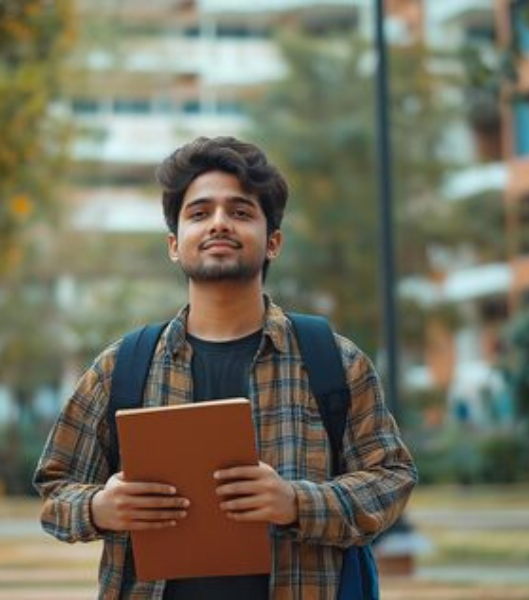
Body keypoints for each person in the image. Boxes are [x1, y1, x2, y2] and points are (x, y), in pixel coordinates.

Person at [34, 136, 416, 599]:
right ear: (174, 245)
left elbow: (392, 479)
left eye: (240, 212)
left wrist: (295, 502)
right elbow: (55, 489)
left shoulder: (334, 361)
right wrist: (99, 507)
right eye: (199, 213)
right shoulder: (122, 366)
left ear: (273, 241)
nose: (219, 223)